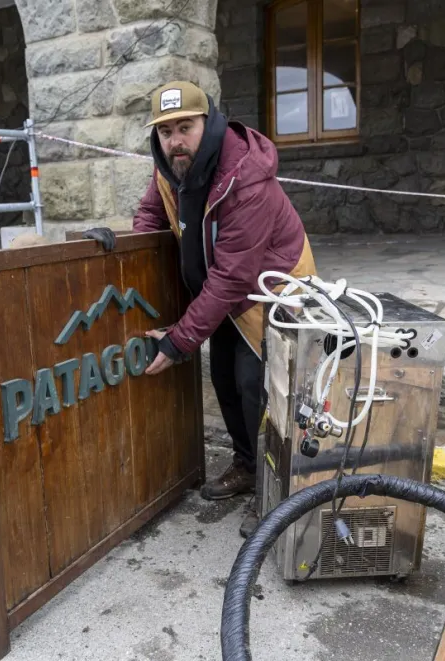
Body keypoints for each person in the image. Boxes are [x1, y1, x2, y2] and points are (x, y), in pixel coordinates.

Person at [130, 80, 317, 537]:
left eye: (185, 127)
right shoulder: (170, 169)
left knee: (260, 388)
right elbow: (151, 216)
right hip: (223, 291)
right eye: (166, 131)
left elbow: (235, 275)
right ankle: (248, 466)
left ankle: (276, 494)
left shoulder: (245, 178)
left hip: (272, 289)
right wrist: (128, 260)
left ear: (208, 122)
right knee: (224, 380)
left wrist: (179, 341)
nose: (175, 140)